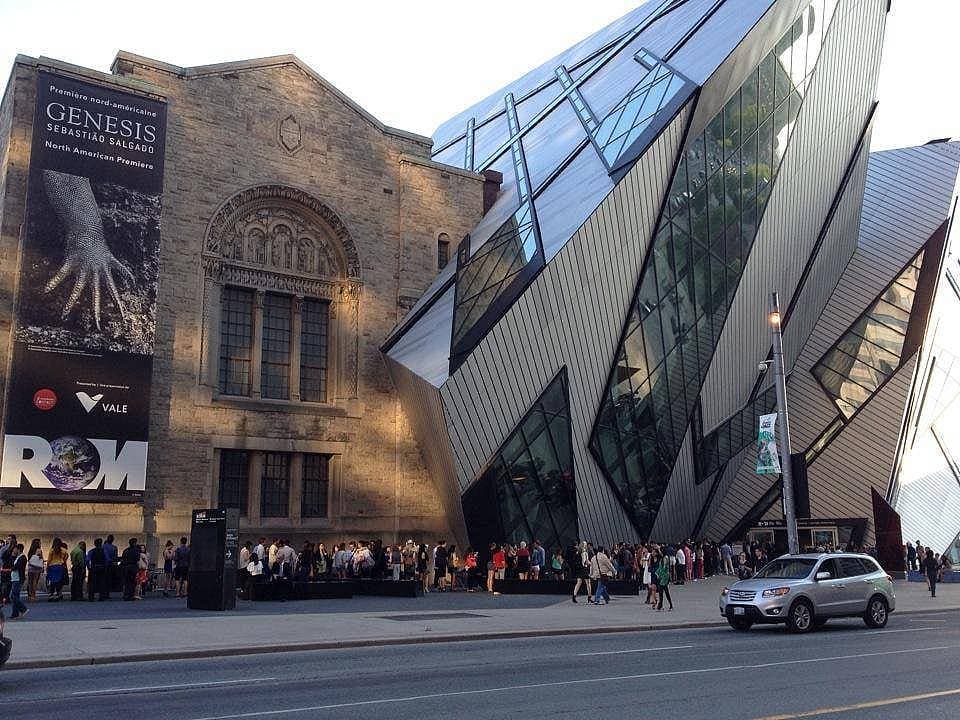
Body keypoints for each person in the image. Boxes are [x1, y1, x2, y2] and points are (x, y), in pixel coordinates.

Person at [7, 544, 28, 620]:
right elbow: (11, 565)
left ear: (18, 549)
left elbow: (15, 567)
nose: (13, 550)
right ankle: (15, 614)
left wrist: (10, 569)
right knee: (15, 596)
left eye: (14, 549)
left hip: (18, 579)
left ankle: (23, 609)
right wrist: (12, 556)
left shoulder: (22, 557)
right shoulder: (18, 557)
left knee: (13, 596)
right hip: (14, 578)